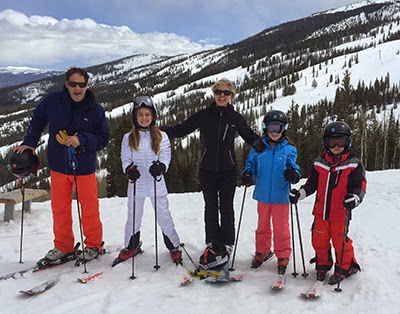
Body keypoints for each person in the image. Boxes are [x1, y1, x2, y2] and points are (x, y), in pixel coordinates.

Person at [162, 78, 259, 277]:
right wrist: (158, 131)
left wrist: (273, 142)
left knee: (226, 207)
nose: (222, 95)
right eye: (218, 92)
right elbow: (182, 128)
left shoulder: (236, 118)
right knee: (210, 207)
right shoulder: (204, 115)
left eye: (226, 92)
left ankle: (227, 244)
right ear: (214, 94)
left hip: (228, 170)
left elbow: (251, 137)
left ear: (232, 95)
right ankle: (212, 243)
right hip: (206, 170)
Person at [15, 67, 109, 265]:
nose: (77, 88)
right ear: (66, 84)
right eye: (73, 84)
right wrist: (30, 142)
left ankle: (93, 245)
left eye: (81, 84)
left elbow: (103, 138)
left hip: (83, 168)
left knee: (89, 208)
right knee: (59, 209)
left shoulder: (95, 110)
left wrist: (81, 139)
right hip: (58, 165)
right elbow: (38, 119)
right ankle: (64, 246)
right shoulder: (53, 101)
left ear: (87, 85)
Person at [289, 121, 365, 284]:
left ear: (348, 142)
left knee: (340, 241)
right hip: (320, 212)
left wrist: (355, 198)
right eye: (332, 142)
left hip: (340, 213)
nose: (336, 146)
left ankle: (345, 266)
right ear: (326, 143)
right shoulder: (319, 163)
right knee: (319, 240)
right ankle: (323, 263)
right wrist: (300, 194)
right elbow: (311, 184)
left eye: (341, 142)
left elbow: (360, 186)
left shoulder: (353, 163)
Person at [116, 95, 182, 265]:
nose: (144, 118)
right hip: (136, 184)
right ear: (135, 117)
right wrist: (129, 169)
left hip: (156, 183)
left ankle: (173, 245)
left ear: (152, 116)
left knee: (163, 216)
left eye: (147, 114)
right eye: (140, 115)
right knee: (133, 216)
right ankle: (131, 246)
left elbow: (166, 155)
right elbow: (125, 158)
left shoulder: (162, 136)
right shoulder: (128, 137)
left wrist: (161, 166)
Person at [241, 110, 300, 276]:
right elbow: (250, 164)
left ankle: (283, 254)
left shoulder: (289, 149)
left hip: (281, 196)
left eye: (278, 128)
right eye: (271, 128)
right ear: (265, 128)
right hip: (263, 195)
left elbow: (293, 166)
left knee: (281, 227)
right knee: (263, 226)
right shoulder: (258, 148)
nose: (274, 132)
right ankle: (262, 250)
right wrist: (247, 173)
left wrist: (293, 174)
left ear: (284, 129)